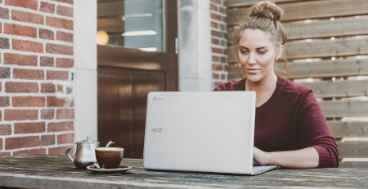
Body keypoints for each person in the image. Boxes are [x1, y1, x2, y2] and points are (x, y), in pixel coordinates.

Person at [214, 1, 339, 168]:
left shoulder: (299, 98)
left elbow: (329, 154)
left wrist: (267, 158)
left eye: (261, 51)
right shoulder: (223, 94)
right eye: (244, 51)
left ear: (278, 52)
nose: (250, 61)